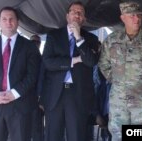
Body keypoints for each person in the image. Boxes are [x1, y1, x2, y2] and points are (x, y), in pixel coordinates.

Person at [98, 1, 142, 140]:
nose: (136, 19)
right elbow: (103, 64)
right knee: (118, 136)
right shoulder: (111, 40)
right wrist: (119, 82)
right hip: (119, 103)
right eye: (132, 15)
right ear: (123, 18)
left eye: (139, 15)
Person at [0, 7, 41, 141]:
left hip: (21, 105)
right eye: (4, 19)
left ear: (18, 22)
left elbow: (32, 75)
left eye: (12, 19)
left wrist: (14, 93)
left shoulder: (29, 47)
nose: (8, 22)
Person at [41, 1, 99, 141]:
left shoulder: (91, 39)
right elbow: (48, 62)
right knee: (53, 135)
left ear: (84, 19)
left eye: (81, 13)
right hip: (55, 94)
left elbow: (91, 61)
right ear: (67, 16)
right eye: (74, 11)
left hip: (78, 95)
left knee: (77, 135)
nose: (77, 14)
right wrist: (73, 61)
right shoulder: (54, 36)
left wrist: (79, 37)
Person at [30, 34, 44, 141]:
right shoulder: (23, 56)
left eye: (37, 42)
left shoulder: (43, 59)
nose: (35, 44)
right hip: (23, 99)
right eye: (32, 42)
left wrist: (41, 100)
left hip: (37, 100)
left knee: (37, 129)